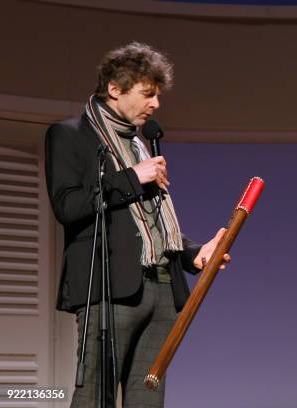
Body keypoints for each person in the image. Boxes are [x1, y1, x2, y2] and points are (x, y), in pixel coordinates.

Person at [45, 42, 231, 407]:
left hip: (162, 291)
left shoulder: (141, 144)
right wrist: (132, 176)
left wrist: (192, 255)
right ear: (115, 89)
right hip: (110, 288)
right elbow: (68, 206)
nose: (156, 104)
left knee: (147, 399)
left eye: (157, 95)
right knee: (94, 397)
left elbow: (149, 222)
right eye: (148, 94)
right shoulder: (70, 136)